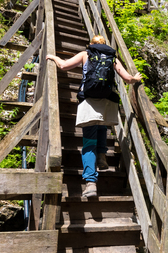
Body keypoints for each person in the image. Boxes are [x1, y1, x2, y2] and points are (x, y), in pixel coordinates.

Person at [47, 35, 142, 198]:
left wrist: (53, 56)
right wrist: (135, 78)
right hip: (107, 101)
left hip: (89, 101)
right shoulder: (112, 57)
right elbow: (127, 78)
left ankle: (91, 183)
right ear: (105, 44)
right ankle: (102, 156)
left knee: (88, 142)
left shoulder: (86, 54)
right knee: (101, 125)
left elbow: (63, 66)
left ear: (90, 44)